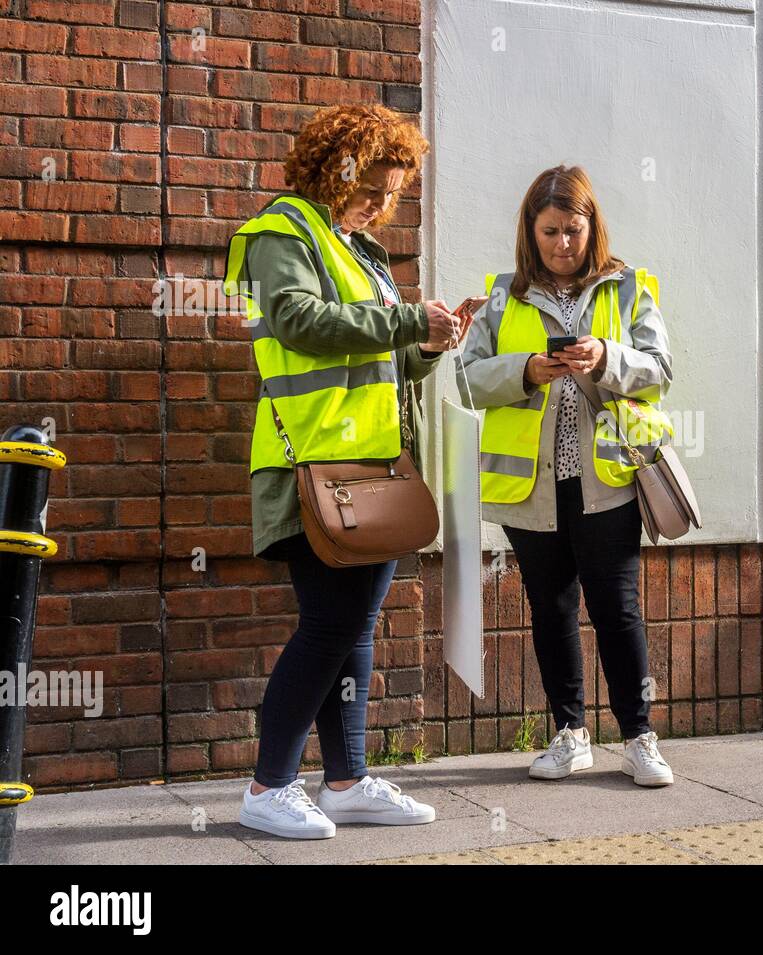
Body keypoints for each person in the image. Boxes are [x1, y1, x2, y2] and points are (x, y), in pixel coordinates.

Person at [223, 104, 469, 838]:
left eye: (390, 193)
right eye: (370, 186)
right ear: (332, 165)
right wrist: (406, 322)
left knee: (353, 628)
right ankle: (268, 787)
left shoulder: (358, 251)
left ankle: (346, 778)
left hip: (372, 468)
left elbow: (388, 359)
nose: (377, 204)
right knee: (330, 624)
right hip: (310, 466)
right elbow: (298, 320)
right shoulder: (279, 234)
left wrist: (430, 343)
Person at [457, 165, 676, 786]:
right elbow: (468, 380)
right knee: (550, 608)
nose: (561, 244)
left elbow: (661, 369)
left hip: (606, 478)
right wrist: (524, 370)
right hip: (533, 485)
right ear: (531, 230)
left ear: (592, 227)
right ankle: (569, 733)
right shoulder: (503, 294)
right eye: (549, 231)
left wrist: (608, 358)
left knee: (618, 610)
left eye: (573, 230)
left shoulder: (627, 287)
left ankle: (639, 738)